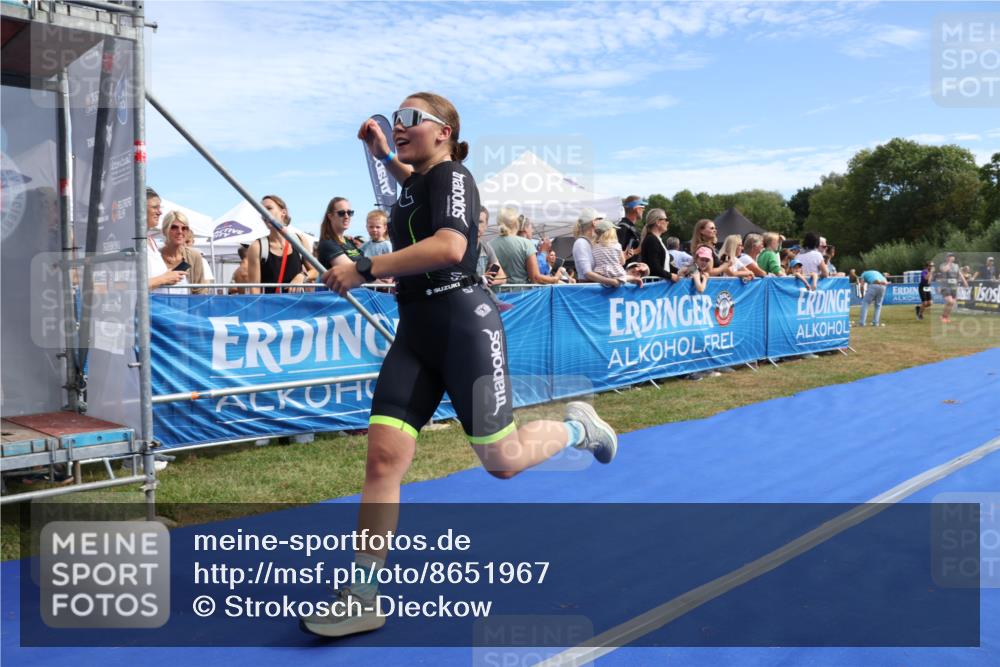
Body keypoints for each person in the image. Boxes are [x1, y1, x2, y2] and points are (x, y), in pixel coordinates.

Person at [306, 92, 618, 638]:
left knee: (502, 460)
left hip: (461, 325)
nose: (398, 125)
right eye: (394, 118)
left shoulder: (453, 176)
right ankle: (361, 594)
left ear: (444, 132)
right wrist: (383, 153)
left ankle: (578, 427)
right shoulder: (418, 181)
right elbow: (409, 181)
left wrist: (365, 265)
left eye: (410, 120)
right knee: (383, 461)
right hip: (415, 331)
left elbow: (451, 246)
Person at [246, 195, 312, 294]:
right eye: (261, 210)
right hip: (271, 307)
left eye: (269, 208)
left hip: (297, 306)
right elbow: (255, 288)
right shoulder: (257, 247)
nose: (264, 213)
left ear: (283, 212)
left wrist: (302, 276)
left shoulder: (300, 240)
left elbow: (315, 270)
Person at [490, 207, 561, 285]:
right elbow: (535, 278)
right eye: (531, 227)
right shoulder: (526, 244)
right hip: (522, 294)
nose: (533, 230)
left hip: (495, 293)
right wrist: (555, 279)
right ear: (516, 223)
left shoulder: (489, 245)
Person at [145, 187, 186, 291]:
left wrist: (168, 276)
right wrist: (163, 279)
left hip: (159, 305)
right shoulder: (129, 240)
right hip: (142, 306)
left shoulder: (151, 241)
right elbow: (121, 285)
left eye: (160, 207)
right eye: (155, 207)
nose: (160, 212)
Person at [158, 211, 207, 294]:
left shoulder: (194, 256)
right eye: (174, 227)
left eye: (184, 228)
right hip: (158, 305)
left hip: (186, 306)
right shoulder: (154, 256)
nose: (180, 231)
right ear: (164, 230)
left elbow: (199, 291)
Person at [572, 208, 620, 287]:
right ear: (594, 222)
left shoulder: (592, 243)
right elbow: (588, 273)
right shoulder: (581, 243)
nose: (602, 222)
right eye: (600, 219)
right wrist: (613, 281)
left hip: (597, 290)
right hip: (589, 290)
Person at [592, 219, 642, 287]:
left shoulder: (595, 247)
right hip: (615, 273)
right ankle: (636, 278)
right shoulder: (617, 245)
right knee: (625, 277)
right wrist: (624, 256)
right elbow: (622, 262)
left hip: (600, 273)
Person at [639, 208, 677, 282]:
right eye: (666, 219)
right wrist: (671, 276)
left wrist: (679, 271)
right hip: (654, 286)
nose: (668, 222)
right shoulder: (651, 240)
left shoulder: (656, 239)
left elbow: (664, 264)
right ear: (658, 222)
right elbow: (654, 266)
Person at [476, 206, 507, 287]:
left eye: (480, 221)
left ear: (486, 225)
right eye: (473, 221)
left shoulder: (485, 247)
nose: (477, 225)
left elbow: (502, 277)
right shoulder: (458, 245)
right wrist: (481, 278)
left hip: (480, 294)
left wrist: (489, 280)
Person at [937, 252, 967, 324]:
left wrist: (965, 282)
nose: (952, 257)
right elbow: (944, 270)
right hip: (945, 286)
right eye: (950, 256)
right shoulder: (943, 265)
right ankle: (943, 316)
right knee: (949, 301)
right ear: (947, 258)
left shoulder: (956, 266)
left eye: (953, 256)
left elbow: (960, 274)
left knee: (952, 303)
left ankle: (946, 317)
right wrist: (949, 263)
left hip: (953, 286)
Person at [616, 195, 644, 266]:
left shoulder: (628, 227)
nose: (643, 210)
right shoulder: (623, 227)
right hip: (625, 273)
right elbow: (616, 254)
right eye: (642, 207)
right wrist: (636, 251)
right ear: (637, 209)